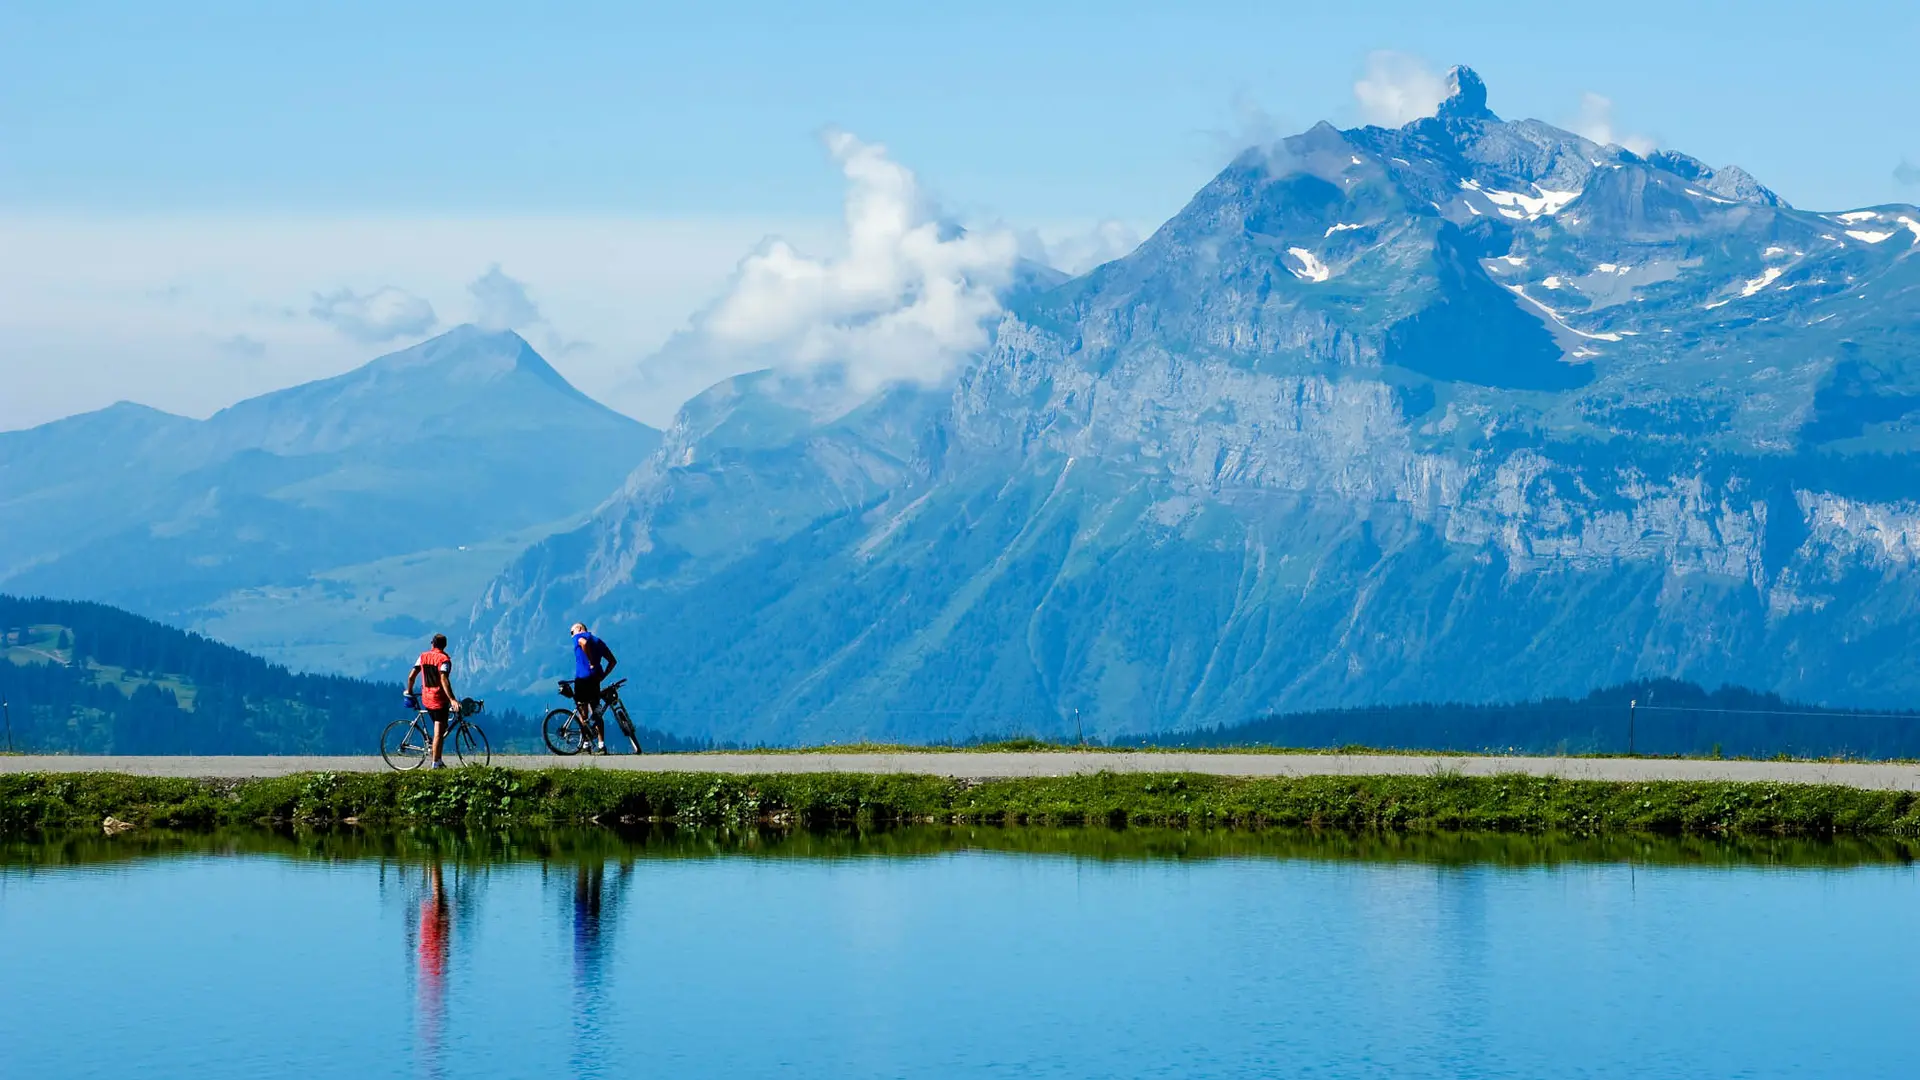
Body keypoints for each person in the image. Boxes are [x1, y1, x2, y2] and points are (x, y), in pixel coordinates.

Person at [406, 633, 458, 769]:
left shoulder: (422, 657)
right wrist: (452, 699)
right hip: (439, 699)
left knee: (440, 730)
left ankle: (435, 755)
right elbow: (443, 679)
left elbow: (411, 676)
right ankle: (436, 763)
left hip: (426, 698)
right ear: (444, 645)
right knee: (439, 733)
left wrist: (409, 691)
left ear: (432, 644)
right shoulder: (444, 659)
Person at [569, 622, 617, 753]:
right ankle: (601, 745)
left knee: (582, 712)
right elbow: (613, 661)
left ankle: (585, 744)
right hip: (595, 680)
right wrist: (603, 676)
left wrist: (591, 661)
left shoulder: (578, 637)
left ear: (579, 629)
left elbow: (583, 642)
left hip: (582, 679)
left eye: (571, 632)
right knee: (596, 711)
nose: (572, 636)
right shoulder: (598, 641)